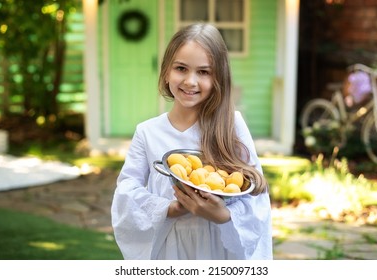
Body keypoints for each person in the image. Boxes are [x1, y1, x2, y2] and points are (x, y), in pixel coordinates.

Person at [111, 23, 273, 260]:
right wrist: (168, 209)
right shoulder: (147, 132)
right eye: (181, 68)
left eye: (204, 72)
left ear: (218, 77)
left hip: (219, 250)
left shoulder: (231, 125)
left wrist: (223, 215)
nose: (190, 81)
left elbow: (257, 198)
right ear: (166, 71)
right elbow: (126, 193)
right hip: (170, 251)